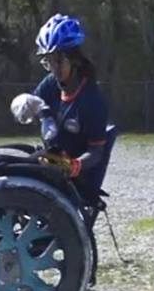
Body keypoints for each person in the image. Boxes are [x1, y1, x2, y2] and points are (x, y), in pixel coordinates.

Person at [30, 13, 111, 195]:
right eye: (48, 61)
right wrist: (37, 111)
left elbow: (96, 152)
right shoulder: (50, 83)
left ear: (74, 59)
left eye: (58, 61)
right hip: (50, 162)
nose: (54, 69)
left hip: (74, 179)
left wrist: (73, 166)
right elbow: (35, 104)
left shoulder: (93, 100)